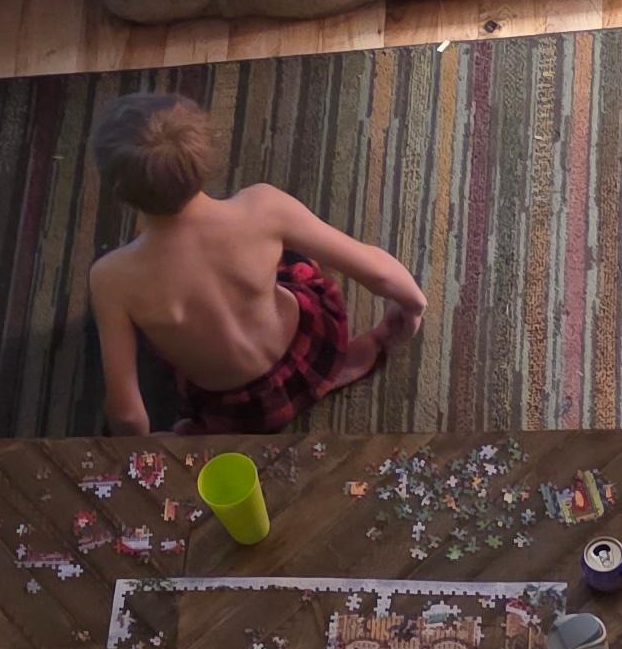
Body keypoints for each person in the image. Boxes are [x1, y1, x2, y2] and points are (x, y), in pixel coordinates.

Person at [87, 92, 428, 434]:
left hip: (242, 410)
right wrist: (412, 307)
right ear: (205, 158)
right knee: (296, 257)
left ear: (117, 190)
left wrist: (145, 450)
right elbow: (381, 274)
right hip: (314, 346)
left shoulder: (112, 278)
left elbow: (127, 413)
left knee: (175, 387)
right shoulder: (262, 207)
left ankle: (199, 432)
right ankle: (335, 371)